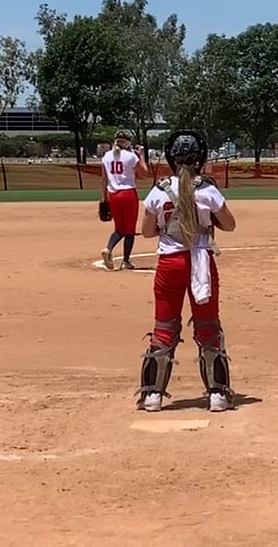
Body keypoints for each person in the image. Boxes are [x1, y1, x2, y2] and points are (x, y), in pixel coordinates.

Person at [137, 131, 239, 414]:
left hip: (169, 264)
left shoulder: (158, 190)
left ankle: (153, 395)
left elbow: (147, 232)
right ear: (200, 158)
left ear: (171, 157)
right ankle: (217, 394)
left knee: (164, 326)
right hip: (201, 263)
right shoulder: (207, 190)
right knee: (208, 326)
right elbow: (230, 225)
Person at [99, 131, 149, 271]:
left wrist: (104, 198)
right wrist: (141, 156)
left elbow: (104, 179)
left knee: (119, 229)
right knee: (129, 230)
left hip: (113, 195)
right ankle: (125, 261)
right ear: (127, 142)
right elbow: (144, 174)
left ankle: (108, 249)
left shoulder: (107, 155)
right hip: (128, 194)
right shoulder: (131, 156)